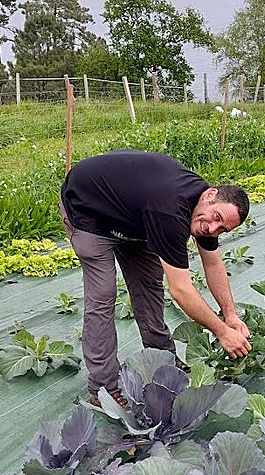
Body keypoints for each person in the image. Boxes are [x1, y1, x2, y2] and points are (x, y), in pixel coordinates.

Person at [59, 149, 252, 407]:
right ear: (209, 195)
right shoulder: (170, 212)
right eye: (216, 218)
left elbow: (213, 263)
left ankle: (163, 360)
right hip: (88, 209)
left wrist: (230, 315)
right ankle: (103, 387)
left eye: (222, 228)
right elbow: (181, 290)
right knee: (102, 296)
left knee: (149, 286)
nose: (212, 228)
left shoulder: (204, 212)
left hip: (134, 216)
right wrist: (222, 332)